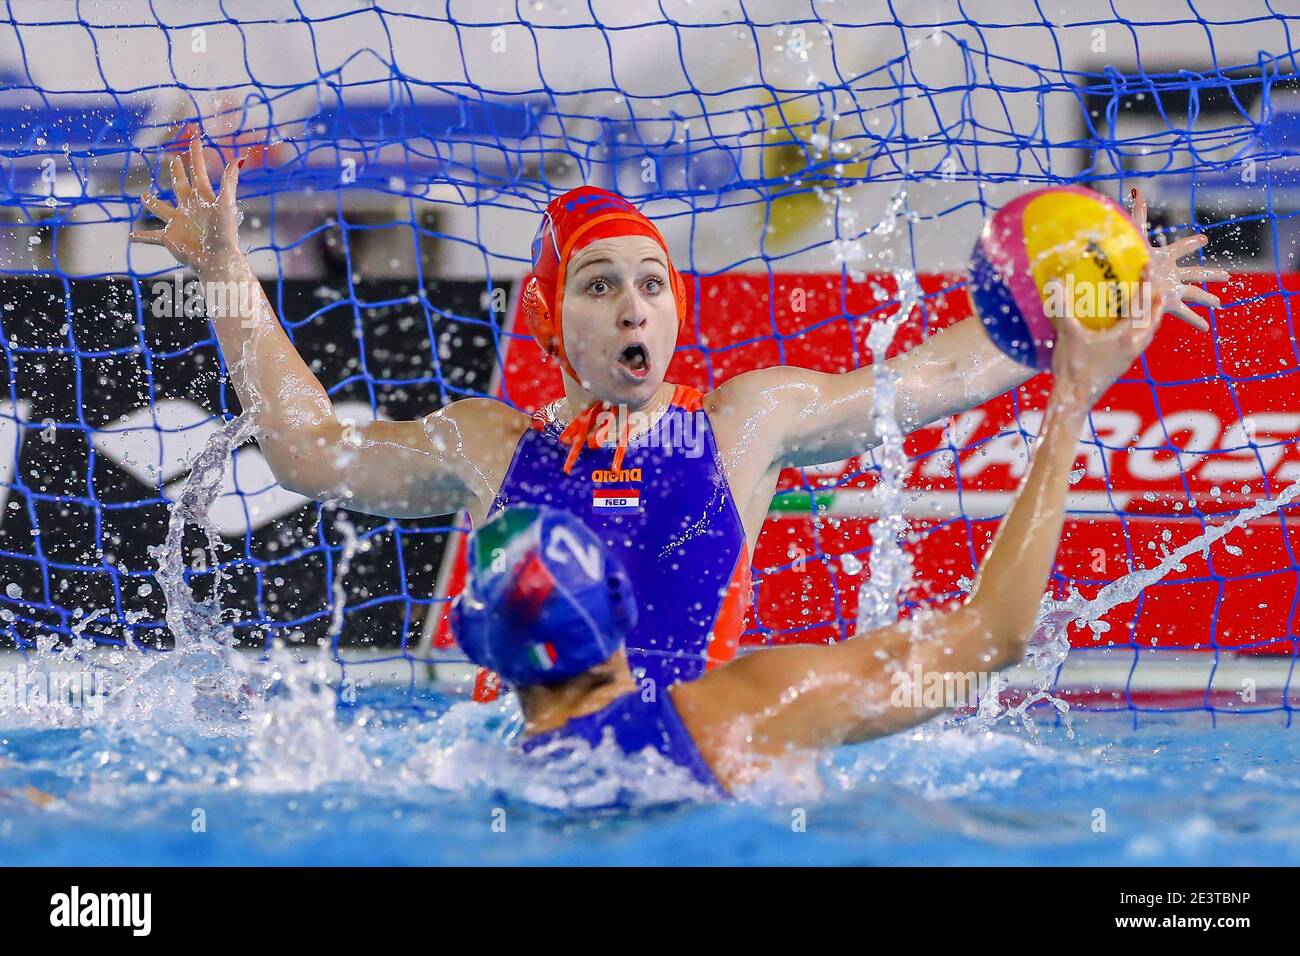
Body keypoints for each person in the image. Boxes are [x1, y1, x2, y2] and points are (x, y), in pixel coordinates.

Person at [129, 136, 1226, 690]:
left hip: (689, 759)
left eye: (651, 282)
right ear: (557, 320)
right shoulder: (489, 443)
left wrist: (1098, 311)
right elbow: (311, 450)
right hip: (516, 765)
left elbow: (942, 374)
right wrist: (228, 272)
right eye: (601, 285)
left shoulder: (746, 420)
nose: (634, 306)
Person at [453, 297, 1167, 795]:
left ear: (478, 642)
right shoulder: (738, 714)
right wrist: (1071, 397)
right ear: (619, 604)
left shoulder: (478, 776)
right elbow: (993, 635)